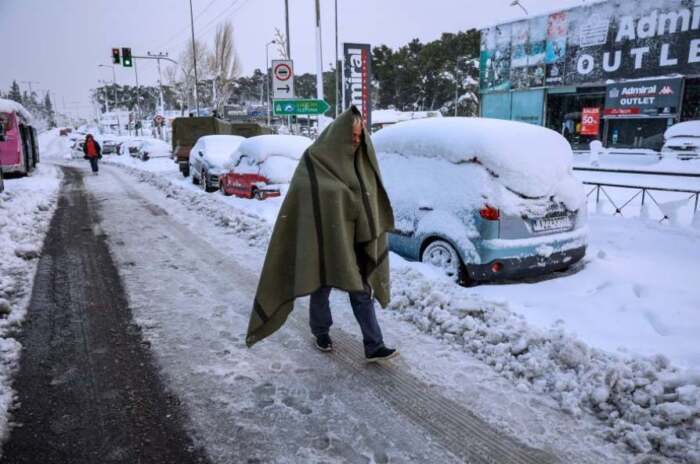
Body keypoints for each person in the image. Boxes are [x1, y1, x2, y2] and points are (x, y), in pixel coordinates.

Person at [246, 106, 398, 362]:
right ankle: (321, 332)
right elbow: (305, 192)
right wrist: (340, 199)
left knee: (361, 290)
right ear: (339, 134)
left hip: (356, 239)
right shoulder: (315, 159)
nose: (356, 141)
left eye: (360, 136)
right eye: (352, 135)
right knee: (322, 284)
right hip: (326, 237)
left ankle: (374, 345)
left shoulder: (362, 160)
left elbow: (370, 195)